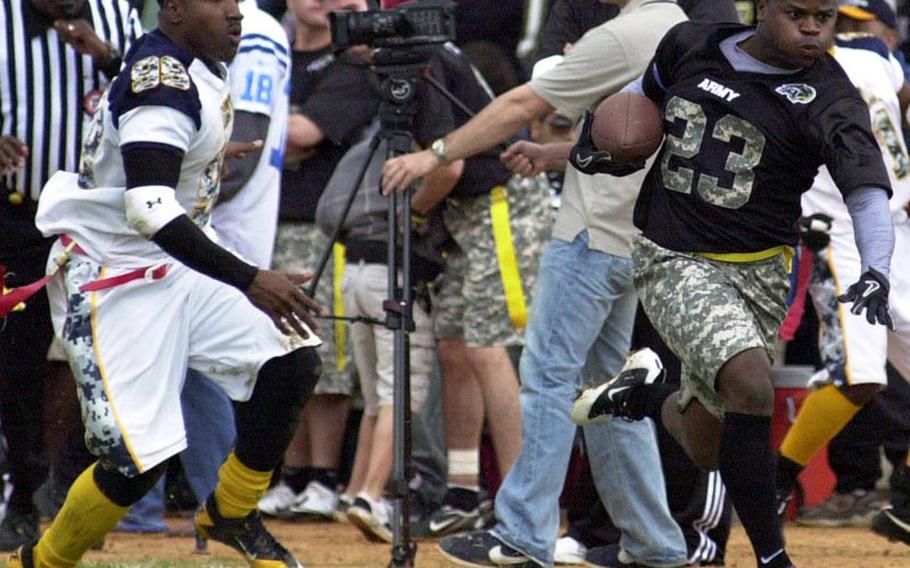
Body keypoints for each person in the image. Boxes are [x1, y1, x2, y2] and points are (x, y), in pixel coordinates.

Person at [571, 1, 895, 566]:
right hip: (671, 254)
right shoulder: (690, 44)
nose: (814, 27)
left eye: (826, 16)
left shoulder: (830, 93)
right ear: (762, 8)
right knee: (750, 386)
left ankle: (646, 396)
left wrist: (878, 265)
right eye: (798, 12)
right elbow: (636, 103)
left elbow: (865, 190)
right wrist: (597, 141)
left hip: (763, 267)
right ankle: (773, 557)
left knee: (707, 443)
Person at [7, 0, 325, 565]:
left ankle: (232, 509)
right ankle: (46, 559)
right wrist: (251, 279)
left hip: (173, 263)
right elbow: (150, 208)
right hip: (115, 277)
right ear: (173, 11)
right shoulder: (163, 77)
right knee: (135, 463)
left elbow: (149, 152)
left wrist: (202, 157)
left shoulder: (196, 60)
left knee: (292, 354)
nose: (236, 14)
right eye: (218, 3)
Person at [382, 1, 691, 566]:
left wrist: (437, 152)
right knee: (605, 393)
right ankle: (655, 545)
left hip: (591, 235)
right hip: (636, 233)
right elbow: (639, 136)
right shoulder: (677, 24)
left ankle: (524, 534)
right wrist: (558, 153)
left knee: (548, 377)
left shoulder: (625, 33)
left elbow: (525, 101)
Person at [0, 0, 142, 552]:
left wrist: (106, 56)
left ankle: (78, 491)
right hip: (21, 215)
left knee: (108, 361)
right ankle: (24, 494)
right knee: (18, 361)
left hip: (107, 223)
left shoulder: (117, 13)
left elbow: (155, 85)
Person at [255, 0, 367, 521]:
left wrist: (263, 133)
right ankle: (290, 474)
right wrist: (282, 134)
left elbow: (306, 135)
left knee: (325, 359)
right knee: (277, 354)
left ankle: (324, 477)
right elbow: (288, 134)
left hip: (321, 229)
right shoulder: (270, 51)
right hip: (264, 224)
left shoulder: (352, 63)